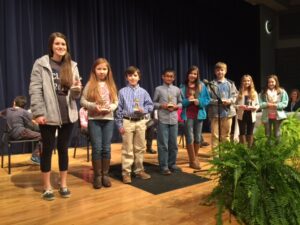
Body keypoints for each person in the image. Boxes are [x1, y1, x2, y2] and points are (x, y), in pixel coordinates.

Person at [29, 32, 82, 201]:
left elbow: (75, 95)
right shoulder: (41, 63)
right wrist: (38, 113)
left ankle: (63, 183)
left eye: (63, 44)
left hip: (68, 115)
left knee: (63, 149)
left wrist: (76, 90)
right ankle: (46, 186)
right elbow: (35, 89)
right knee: (47, 150)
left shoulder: (72, 65)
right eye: (57, 44)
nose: (60, 47)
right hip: (48, 115)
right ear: (51, 45)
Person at [80, 58, 118, 189]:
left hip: (108, 120)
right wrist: (93, 106)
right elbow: (82, 101)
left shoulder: (111, 85)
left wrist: (110, 108)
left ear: (108, 71)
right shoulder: (90, 84)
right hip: (94, 120)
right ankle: (97, 176)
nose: (102, 71)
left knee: (106, 148)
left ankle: (105, 175)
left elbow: (116, 102)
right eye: (99, 69)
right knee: (97, 148)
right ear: (94, 70)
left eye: (104, 69)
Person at [116, 66, 153, 184]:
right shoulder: (122, 91)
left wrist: (144, 109)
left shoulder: (144, 92)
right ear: (127, 77)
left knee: (140, 147)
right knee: (127, 148)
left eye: (135, 75)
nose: (133, 77)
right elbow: (118, 110)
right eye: (130, 75)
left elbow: (151, 106)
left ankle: (139, 170)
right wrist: (119, 125)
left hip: (141, 121)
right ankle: (126, 172)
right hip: (127, 121)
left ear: (139, 77)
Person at [180, 66, 210, 169]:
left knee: (197, 137)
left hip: (199, 114)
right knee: (190, 137)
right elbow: (180, 102)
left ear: (197, 75)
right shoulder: (183, 86)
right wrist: (188, 100)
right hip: (187, 115)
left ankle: (194, 158)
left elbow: (207, 99)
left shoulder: (201, 85)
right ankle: (192, 161)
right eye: (191, 73)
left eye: (195, 74)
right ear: (188, 74)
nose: (193, 75)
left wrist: (199, 102)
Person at [153, 68, 182, 175]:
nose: (169, 78)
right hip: (163, 120)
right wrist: (162, 105)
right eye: (167, 76)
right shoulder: (158, 89)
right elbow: (153, 103)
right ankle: (163, 166)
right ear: (163, 77)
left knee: (173, 144)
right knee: (163, 144)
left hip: (174, 120)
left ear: (174, 78)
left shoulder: (177, 89)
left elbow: (181, 103)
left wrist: (176, 107)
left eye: (171, 76)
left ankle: (172, 164)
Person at [207, 62, 238, 150]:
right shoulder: (210, 84)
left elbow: (235, 96)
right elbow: (207, 99)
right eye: (218, 70)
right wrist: (218, 102)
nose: (220, 72)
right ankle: (216, 156)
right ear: (215, 72)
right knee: (215, 135)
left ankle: (226, 156)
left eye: (222, 70)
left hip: (228, 113)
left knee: (226, 135)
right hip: (215, 114)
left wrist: (230, 101)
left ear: (225, 71)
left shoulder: (230, 83)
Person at [3, 96, 41, 164]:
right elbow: (35, 118)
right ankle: (35, 156)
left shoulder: (8, 110)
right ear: (24, 105)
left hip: (9, 135)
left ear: (14, 103)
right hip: (21, 133)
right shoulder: (24, 112)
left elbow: (1, 114)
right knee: (44, 136)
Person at [259, 74, 288, 142]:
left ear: (276, 82)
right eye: (269, 82)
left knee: (277, 133)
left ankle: (278, 150)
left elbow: (285, 102)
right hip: (267, 115)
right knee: (267, 134)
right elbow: (259, 103)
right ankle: (269, 150)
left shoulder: (281, 91)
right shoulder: (263, 92)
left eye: (272, 82)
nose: (271, 83)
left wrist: (276, 105)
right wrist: (267, 104)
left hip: (278, 115)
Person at [235, 75, 259, 147]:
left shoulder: (254, 92)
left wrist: (254, 108)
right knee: (242, 132)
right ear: (242, 82)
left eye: (248, 81)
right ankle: (243, 149)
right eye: (245, 81)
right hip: (242, 114)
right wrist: (240, 106)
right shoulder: (239, 92)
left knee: (250, 132)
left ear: (251, 82)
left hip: (251, 114)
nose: (246, 82)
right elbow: (234, 104)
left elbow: (258, 104)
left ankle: (250, 150)